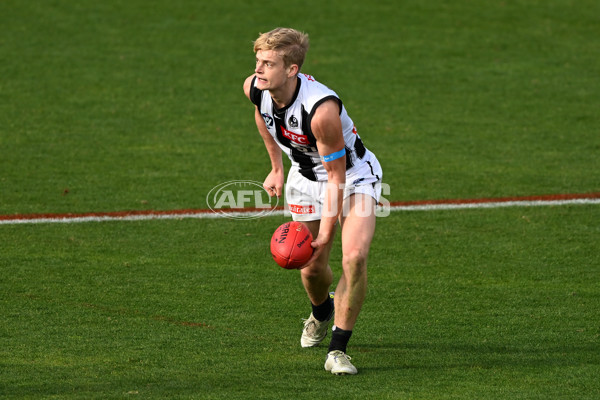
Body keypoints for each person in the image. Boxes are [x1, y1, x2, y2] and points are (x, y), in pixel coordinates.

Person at [243, 27, 383, 375]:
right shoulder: (255, 88)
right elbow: (262, 116)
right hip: (304, 179)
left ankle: (338, 350)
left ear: (292, 70)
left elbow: (336, 177)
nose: (258, 70)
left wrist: (325, 234)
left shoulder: (321, 111)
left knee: (353, 257)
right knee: (311, 268)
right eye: (258, 61)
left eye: (268, 64)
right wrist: (275, 167)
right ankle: (321, 312)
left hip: (352, 179)